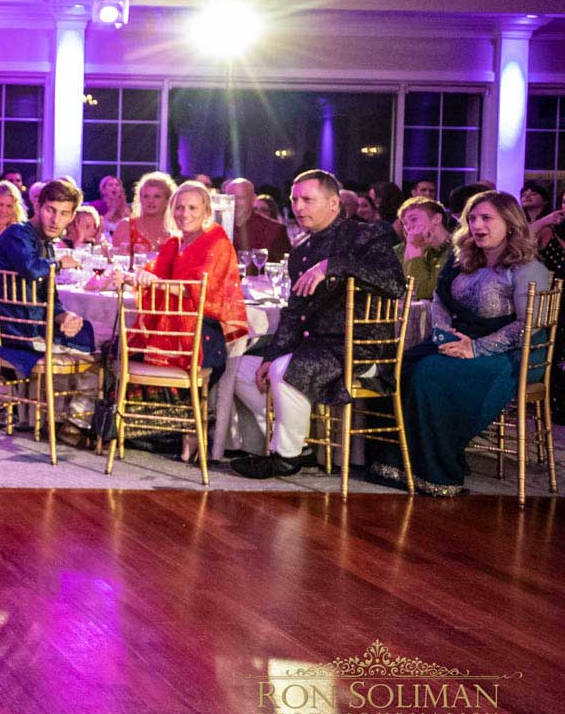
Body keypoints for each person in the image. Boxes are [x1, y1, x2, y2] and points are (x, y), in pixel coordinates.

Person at [370, 191, 551, 496]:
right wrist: (444, 335)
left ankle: (437, 470)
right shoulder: (464, 257)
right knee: (405, 364)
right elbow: (441, 300)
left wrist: (476, 348)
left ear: (509, 222)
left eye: (486, 218)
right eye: (472, 218)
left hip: (512, 355)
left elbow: (528, 326)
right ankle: (401, 462)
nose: (477, 224)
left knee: (430, 372)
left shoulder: (528, 267)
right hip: (461, 341)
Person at [230, 170, 407, 479]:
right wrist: (271, 354)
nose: (299, 207)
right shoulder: (300, 252)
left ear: (334, 202)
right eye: (295, 200)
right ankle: (299, 446)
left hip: (359, 349)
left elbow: (394, 283)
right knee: (242, 370)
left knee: (285, 371)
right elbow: (293, 313)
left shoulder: (365, 235)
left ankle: (285, 457)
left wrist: (332, 265)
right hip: (315, 346)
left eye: (308, 200)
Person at [134, 182, 249, 461]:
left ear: (206, 211)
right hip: (172, 325)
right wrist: (135, 277)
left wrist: (160, 284)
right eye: (180, 207)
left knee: (156, 350)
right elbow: (154, 275)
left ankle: (188, 431)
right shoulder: (174, 243)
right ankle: (155, 433)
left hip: (203, 330)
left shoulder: (218, 241)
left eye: (192, 207)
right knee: (121, 349)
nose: (185, 213)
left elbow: (205, 291)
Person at [0, 177, 94, 379]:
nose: (55, 220)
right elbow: (30, 268)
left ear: (72, 217)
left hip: (31, 324)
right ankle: (75, 404)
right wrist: (62, 263)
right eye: (50, 210)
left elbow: (48, 297)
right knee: (99, 350)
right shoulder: (16, 234)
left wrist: (64, 317)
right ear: (37, 206)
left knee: (83, 328)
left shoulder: (46, 245)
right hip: (17, 331)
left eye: (64, 214)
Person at [398, 196, 453, 303]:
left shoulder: (456, 250)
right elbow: (405, 291)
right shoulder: (414, 249)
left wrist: (415, 249)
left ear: (437, 219)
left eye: (413, 219)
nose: (409, 227)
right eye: (405, 223)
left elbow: (424, 292)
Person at [222, 178, 292, 261]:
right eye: (231, 199)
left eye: (240, 198)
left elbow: (283, 267)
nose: (235, 203)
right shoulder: (216, 228)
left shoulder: (274, 230)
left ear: (253, 199)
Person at [113, 171, 175, 257]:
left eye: (157, 196)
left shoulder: (177, 230)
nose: (150, 201)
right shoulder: (126, 226)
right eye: (146, 196)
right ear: (140, 199)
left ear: (167, 200)